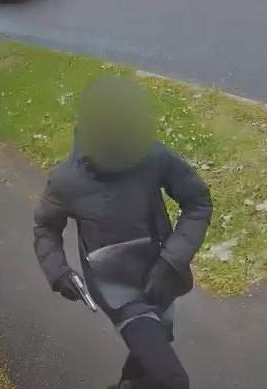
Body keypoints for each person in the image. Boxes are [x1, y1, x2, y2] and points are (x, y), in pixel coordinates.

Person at [33, 76, 212, 389]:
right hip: (117, 289)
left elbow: (197, 203)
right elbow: (46, 227)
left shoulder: (152, 158)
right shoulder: (66, 182)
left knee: (152, 355)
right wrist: (58, 272)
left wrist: (172, 261)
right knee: (172, 380)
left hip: (161, 276)